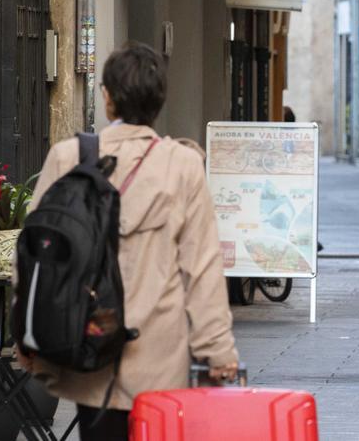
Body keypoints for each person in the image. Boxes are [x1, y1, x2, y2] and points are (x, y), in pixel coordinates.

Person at [19, 42, 239, 439]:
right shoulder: (182, 166)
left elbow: (35, 252)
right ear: (158, 101)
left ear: (107, 98)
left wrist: (26, 329)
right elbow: (202, 267)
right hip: (158, 352)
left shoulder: (67, 157)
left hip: (87, 342)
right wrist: (218, 350)